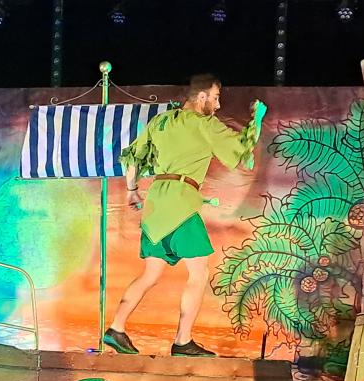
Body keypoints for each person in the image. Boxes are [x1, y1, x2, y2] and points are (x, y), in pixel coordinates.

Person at [103, 74, 266, 357]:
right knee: (199, 272)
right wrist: (257, 119)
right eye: (215, 98)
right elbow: (241, 147)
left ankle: (116, 328)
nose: (218, 105)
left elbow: (133, 157)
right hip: (181, 203)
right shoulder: (204, 124)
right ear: (201, 97)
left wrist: (132, 191)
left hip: (156, 203)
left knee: (151, 273)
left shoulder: (161, 122)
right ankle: (182, 341)